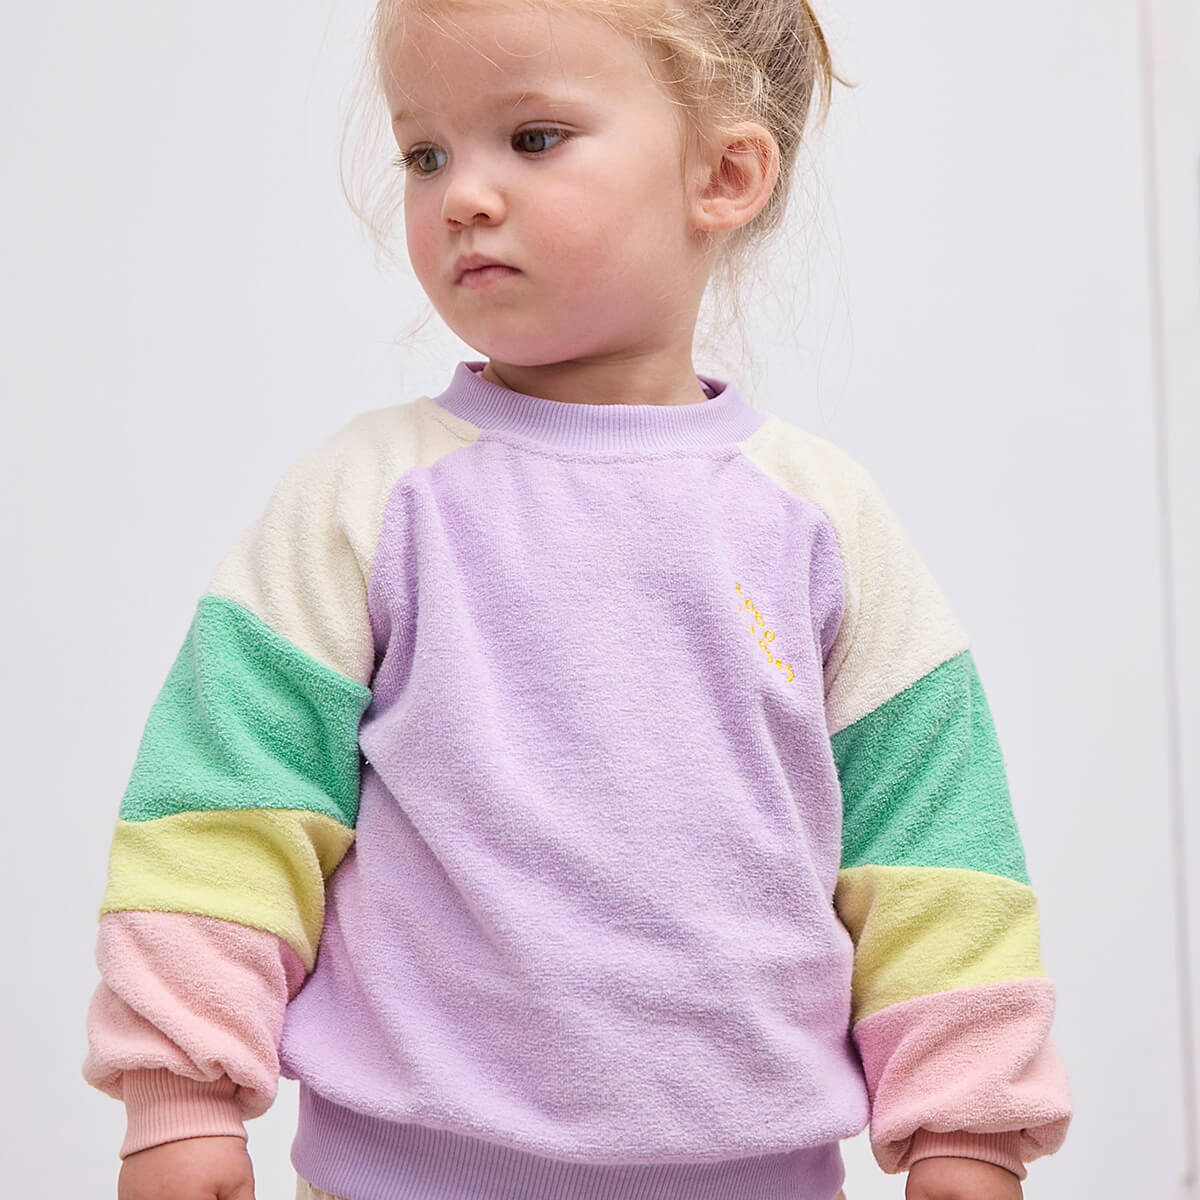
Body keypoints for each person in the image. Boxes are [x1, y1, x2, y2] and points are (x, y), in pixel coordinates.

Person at [81, 1, 1073, 1198]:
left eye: (534, 138)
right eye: (425, 153)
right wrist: (180, 1093)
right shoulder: (368, 499)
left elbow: (935, 844)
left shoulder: (819, 520)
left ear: (724, 174)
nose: (463, 196)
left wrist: (966, 1128)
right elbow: (225, 804)